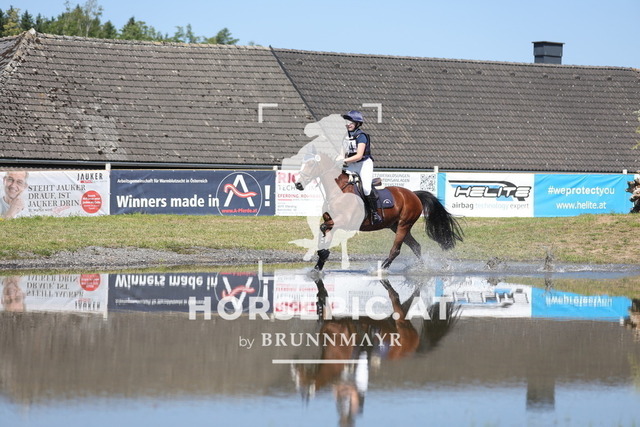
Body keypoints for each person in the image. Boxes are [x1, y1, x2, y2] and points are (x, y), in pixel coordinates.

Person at [342, 111, 382, 224]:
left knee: (366, 189)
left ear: (357, 123)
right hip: (352, 164)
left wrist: (344, 160)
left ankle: (374, 213)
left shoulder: (361, 136)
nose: (348, 124)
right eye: (347, 122)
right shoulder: (344, 136)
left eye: (351, 122)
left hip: (364, 164)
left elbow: (359, 155)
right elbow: (342, 153)